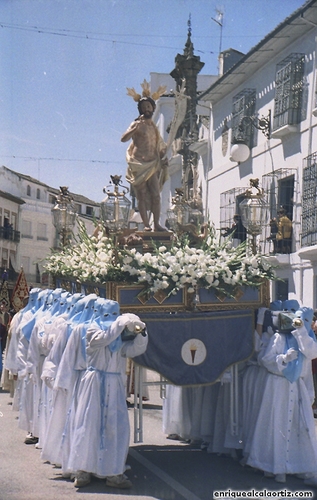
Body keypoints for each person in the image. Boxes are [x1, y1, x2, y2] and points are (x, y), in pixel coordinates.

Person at [121, 96, 168, 232]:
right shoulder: (136, 124)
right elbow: (123, 138)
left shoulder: (154, 127)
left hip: (153, 164)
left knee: (156, 194)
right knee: (141, 195)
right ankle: (146, 225)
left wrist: (162, 156)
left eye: (149, 106)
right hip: (139, 163)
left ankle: (156, 224)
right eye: (144, 107)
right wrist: (134, 129)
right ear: (140, 109)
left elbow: (158, 145)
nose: (146, 109)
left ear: (153, 108)